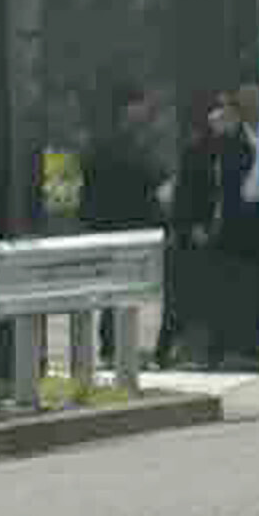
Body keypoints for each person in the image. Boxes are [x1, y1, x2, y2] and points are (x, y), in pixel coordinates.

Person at [78, 81, 165, 365]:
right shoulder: (117, 142)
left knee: (123, 290)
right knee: (117, 290)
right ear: (127, 108)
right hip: (116, 224)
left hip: (122, 224)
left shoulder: (124, 140)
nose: (145, 110)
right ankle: (112, 347)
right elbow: (145, 175)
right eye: (139, 104)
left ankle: (117, 347)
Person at [212, 81, 259, 370]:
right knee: (239, 285)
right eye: (244, 98)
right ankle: (235, 347)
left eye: (254, 97)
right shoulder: (229, 136)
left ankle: (257, 344)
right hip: (237, 220)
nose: (249, 104)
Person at [156, 96, 224, 368]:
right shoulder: (196, 151)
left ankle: (207, 352)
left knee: (207, 298)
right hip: (193, 234)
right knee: (182, 299)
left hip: (215, 234)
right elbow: (185, 195)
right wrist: (191, 225)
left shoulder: (230, 148)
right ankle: (167, 350)